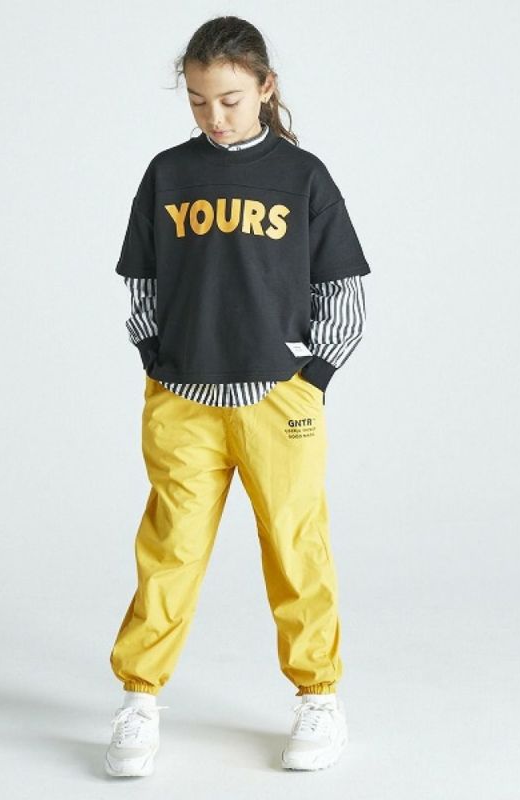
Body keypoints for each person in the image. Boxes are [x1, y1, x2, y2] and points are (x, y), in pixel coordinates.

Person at [105, 15, 371, 777]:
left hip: (277, 401)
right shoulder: (168, 174)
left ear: (265, 88)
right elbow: (142, 280)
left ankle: (318, 695)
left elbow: (342, 287)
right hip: (182, 398)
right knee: (170, 549)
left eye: (228, 99)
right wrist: (157, 358)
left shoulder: (303, 176)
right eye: (197, 101)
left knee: (295, 544)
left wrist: (312, 377)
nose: (213, 117)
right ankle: (139, 699)